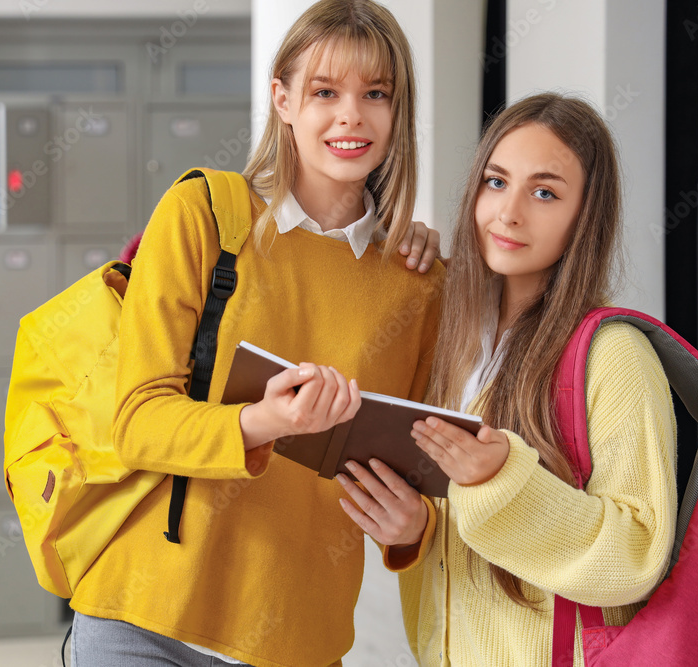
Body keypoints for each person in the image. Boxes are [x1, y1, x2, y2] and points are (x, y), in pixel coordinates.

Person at [68, 2, 445, 666]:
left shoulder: (419, 282)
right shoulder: (204, 214)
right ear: (283, 100)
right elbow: (137, 421)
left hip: (299, 637)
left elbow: (414, 467)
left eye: (375, 94)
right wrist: (261, 421)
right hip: (144, 617)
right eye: (325, 91)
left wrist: (416, 526)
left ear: (398, 110)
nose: (351, 115)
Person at [337, 93, 678, 665]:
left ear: (585, 218)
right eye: (496, 182)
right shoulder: (448, 342)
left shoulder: (614, 356)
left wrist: (504, 480)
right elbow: (465, 537)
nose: (509, 212)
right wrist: (415, 529)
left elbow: (638, 555)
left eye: (544, 193)